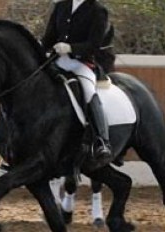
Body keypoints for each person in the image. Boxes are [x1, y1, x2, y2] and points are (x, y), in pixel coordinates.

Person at [42, 0, 115, 166]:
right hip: (56, 61)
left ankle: (102, 141)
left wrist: (71, 48)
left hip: (81, 63)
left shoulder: (98, 10)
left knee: (89, 91)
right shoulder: (61, 6)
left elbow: (95, 45)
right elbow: (48, 37)